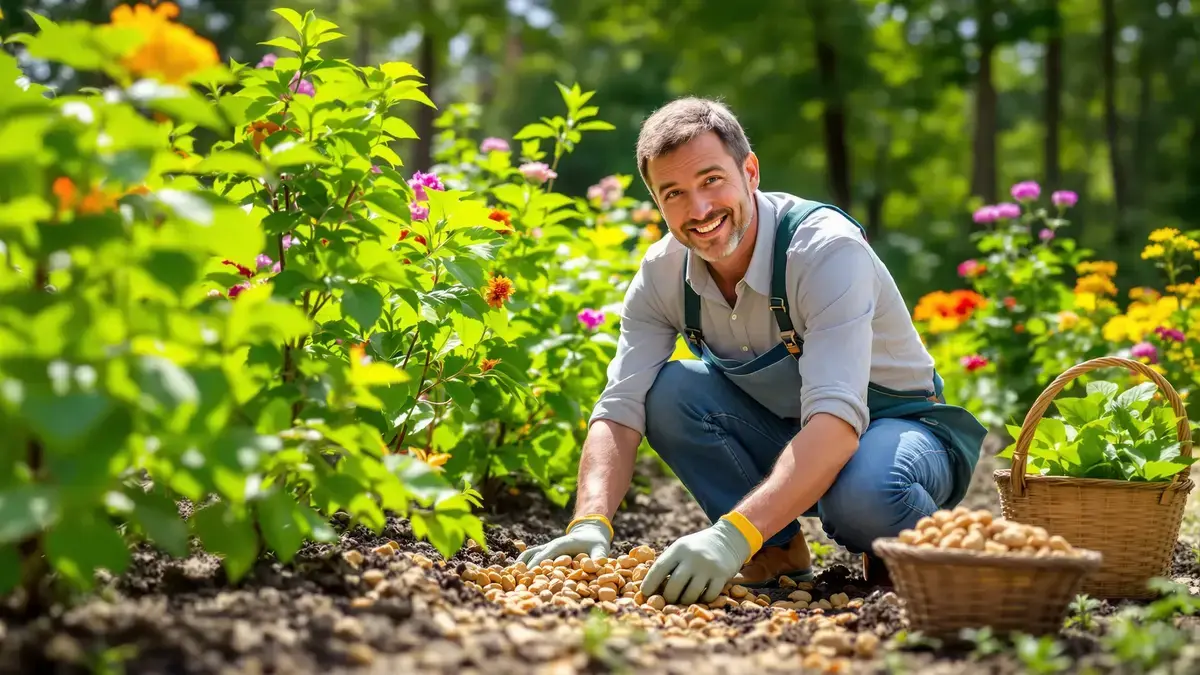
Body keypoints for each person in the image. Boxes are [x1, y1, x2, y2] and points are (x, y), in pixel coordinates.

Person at [517, 97, 987, 607]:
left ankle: (900, 542)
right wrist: (590, 522)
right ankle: (777, 553)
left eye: (712, 180)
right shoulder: (662, 274)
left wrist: (729, 535)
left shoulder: (824, 250)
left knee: (865, 495)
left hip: (899, 429)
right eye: (674, 193)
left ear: (750, 171)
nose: (698, 210)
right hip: (788, 427)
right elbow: (620, 406)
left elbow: (835, 418)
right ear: (656, 201)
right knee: (667, 392)